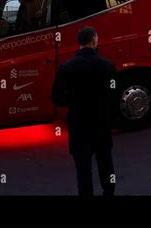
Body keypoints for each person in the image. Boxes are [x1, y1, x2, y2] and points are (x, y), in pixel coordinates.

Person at [51, 26, 117, 196]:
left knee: (83, 170)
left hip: (79, 125)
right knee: (106, 165)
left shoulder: (66, 68)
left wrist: (75, 99)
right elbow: (113, 94)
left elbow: (56, 98)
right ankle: (109, 192)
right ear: (95, 40)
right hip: (101, 124)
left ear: (78, 43)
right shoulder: (108, 66)